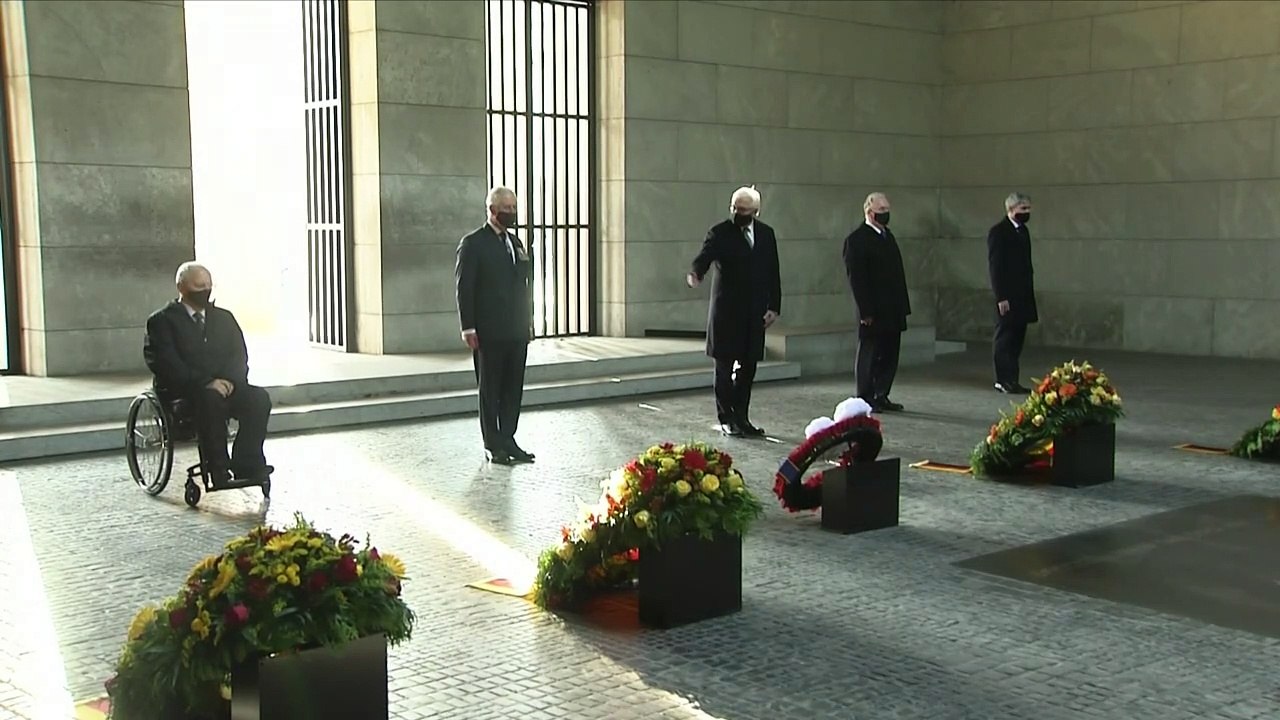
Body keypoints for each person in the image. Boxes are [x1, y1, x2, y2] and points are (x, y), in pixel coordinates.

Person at [143, 262, 273, 485]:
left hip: (226, 386)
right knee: (209, 399)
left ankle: (247, 463)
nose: (205, 290)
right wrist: (205, 382)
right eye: (198, 285)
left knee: (259, 399)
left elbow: (238, 354)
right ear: (182, 287)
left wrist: (231, 380)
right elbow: (166, 362)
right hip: (186, 391)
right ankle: (217, 468)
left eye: (208, 285)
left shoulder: (224, 318)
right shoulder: (162, 322)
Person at [687, 186, 782, 437]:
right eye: (736, 209)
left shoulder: (766, 234)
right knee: (724, 367)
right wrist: (696, 273)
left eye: (744, 210)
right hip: (727, 313)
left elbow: (773, 271)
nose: (739, 213)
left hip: (755, 313)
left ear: (756, 211)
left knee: (748, 367)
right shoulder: (720, 232)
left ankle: (742, 417)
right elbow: (705, 256)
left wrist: (774, 306)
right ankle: (726, 418)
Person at [455, 186, 535, 465]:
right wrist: (469, 327)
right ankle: (492, 444)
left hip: (515, 330)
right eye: (507, 208)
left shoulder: (516, 243)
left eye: (514, 208)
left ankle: (508, 438)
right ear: (492, 210)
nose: (511, 213)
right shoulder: (473, 243)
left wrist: (528, 323)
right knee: (490, 389)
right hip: (488, 332)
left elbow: (524, 285)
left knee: (513, 387)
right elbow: (465, 288)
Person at [843, 192, 910, 413]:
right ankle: (865, 396)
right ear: (869, 212)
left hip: (893, 308)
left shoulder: (888, 237)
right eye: (881, 211)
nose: (885, 215)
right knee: (869, 353)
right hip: (872, 309)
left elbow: (897, 274)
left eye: (887, 210)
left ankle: (882, 394)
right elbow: (857, 279)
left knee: (890, 353)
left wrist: (903, 306)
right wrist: (865, 311)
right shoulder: (857, 240)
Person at [988, 192, 1038, 394]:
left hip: (1022, 294)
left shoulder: (1023, 232)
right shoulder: (999, 232)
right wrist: (1001, 296)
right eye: (1022, 209)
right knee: (1005, 339)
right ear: (1011, 209)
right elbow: (996, 267)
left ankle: (1013, 379)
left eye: (1028, 208)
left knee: (1017, 338)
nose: (1026, 212)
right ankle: (1002, 379)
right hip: (1007, 295)